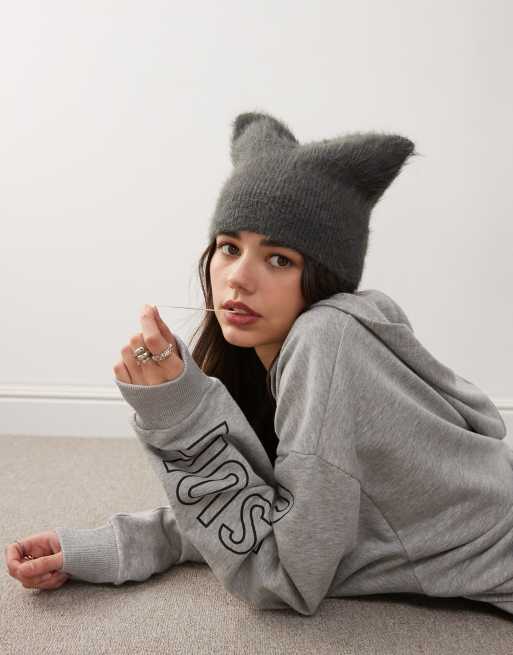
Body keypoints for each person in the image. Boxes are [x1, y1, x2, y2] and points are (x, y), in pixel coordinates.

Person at [5, 111, 510, 617]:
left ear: (323, 277)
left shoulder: (325, 340)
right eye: (229, 247)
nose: (238, 279)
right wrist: (120, 545)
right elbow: (276, 508)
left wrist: (179, 416)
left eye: (279, 259)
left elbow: (286, 578)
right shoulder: (308, 349)